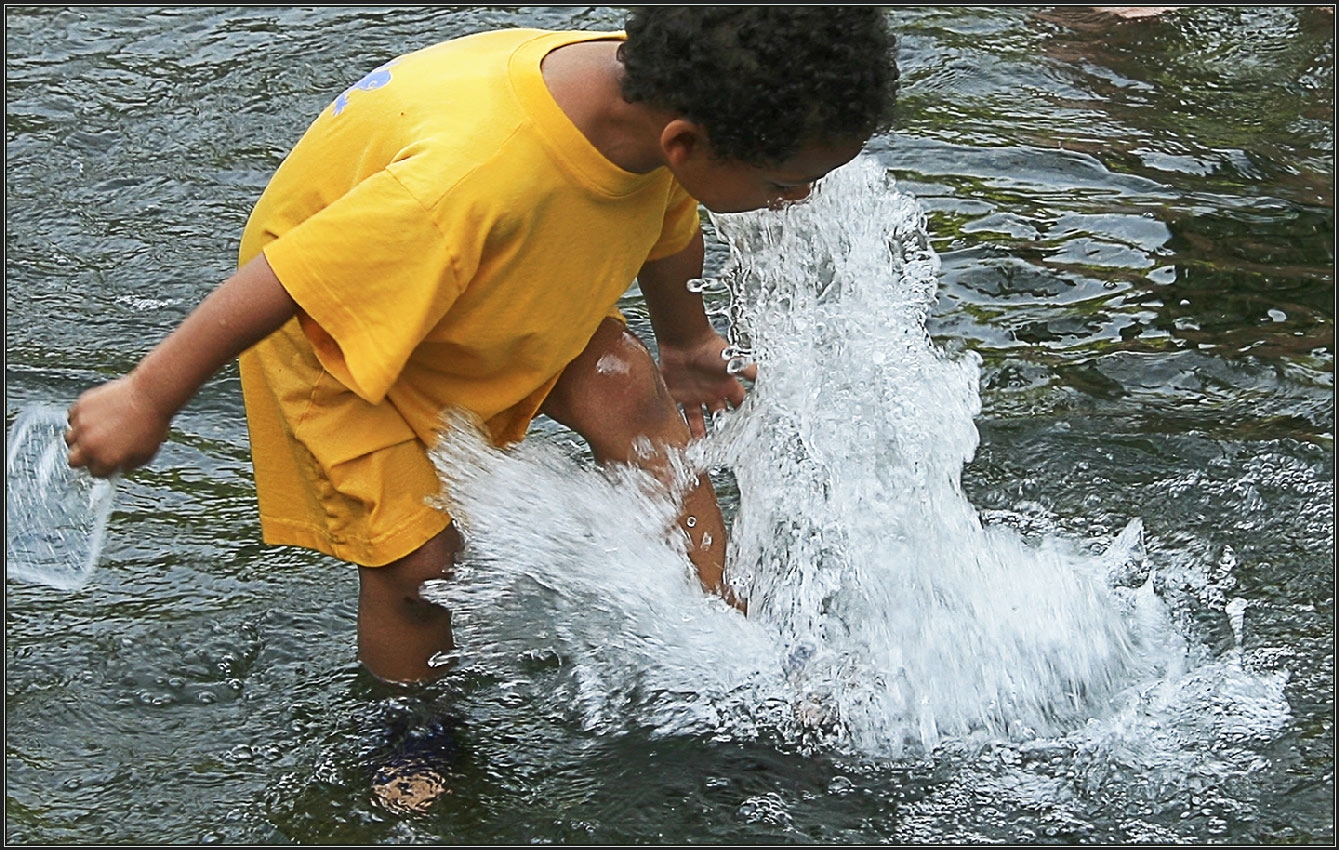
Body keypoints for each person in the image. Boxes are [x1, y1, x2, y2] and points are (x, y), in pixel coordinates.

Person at [64, 7, 898, 685]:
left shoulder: (654, 111)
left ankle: (738, 642)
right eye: (786, 183)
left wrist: (684, 343)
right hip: (335, 335)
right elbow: (284, 280)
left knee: (627, 391)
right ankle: (408, 729)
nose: (798, 202)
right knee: (421, 564)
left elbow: (665, 224)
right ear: (684, 144)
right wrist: (148, 397)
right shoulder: (473, 175)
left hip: (485, 281)